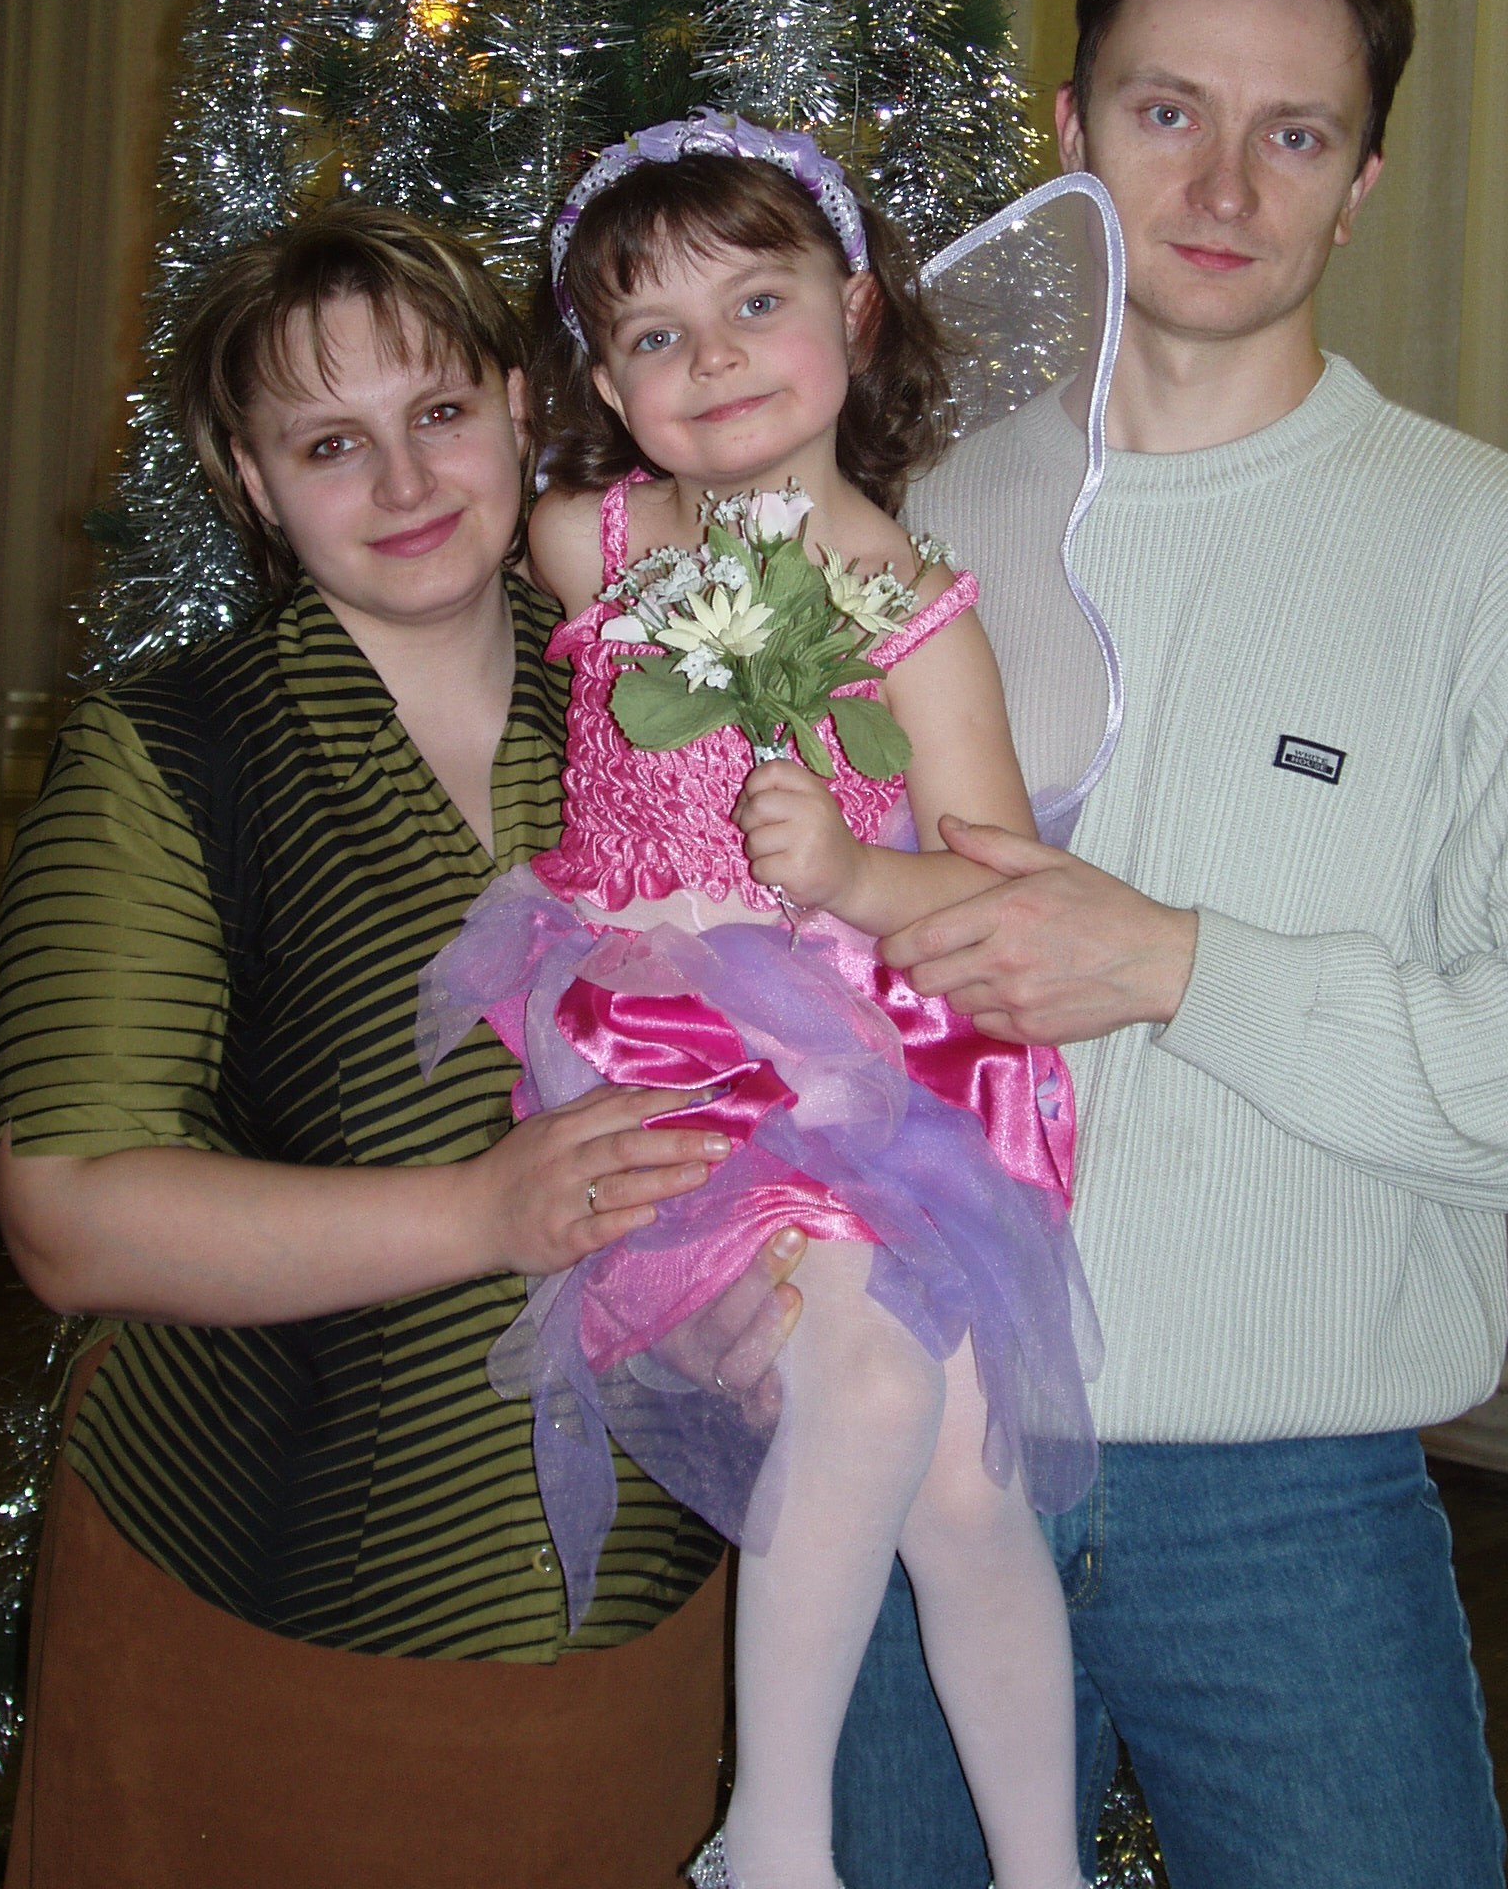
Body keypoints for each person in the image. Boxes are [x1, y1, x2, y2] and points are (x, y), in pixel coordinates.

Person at [831, 0, 1508, 1889]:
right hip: (903, 1437)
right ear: (1069, 126)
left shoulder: (1501, 558)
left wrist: (1177, 965)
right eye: (1166, 111)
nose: (1222, 184)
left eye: (1293, 134)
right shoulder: (897, 525)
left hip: (1289, 1499)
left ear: (1362, 181)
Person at [0, 204, 807, 1889]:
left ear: (515, 405)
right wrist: (480, 1215)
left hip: (645, 1613)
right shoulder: (168, 757)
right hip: (274, 1612)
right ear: (250, 479)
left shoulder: (670, 711)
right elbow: (66, 1215)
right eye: (329, 443)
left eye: (437, 412)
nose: (406, 480)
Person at [426, 113, 1100, 1889]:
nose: (712, 359)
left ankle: (1036, 1869)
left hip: (876, 1064)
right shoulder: (587, 543)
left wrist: (858, 876)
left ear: (855, 315)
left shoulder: (910, 610)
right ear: (603, 381)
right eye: (653, 334)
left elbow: (1000, 884)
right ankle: (778, 1845)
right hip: (666, 1049)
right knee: (874, 1406)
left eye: (756, 304)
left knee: (967, 1490)